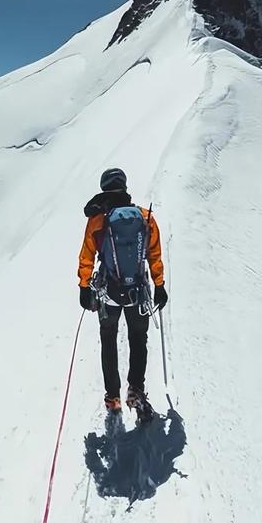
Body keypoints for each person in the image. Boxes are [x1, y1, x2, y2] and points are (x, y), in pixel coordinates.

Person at [77, 167, 168, 414]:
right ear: (125, 187)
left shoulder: (98, 220)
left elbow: (87, 255)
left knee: (108, 341)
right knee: (138, 340)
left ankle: (112, 397)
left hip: (109, 293)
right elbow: (154, 255)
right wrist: (159, 286)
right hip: (137, 292)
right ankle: (136, 390)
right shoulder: (145, 217)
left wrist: (84, 286)